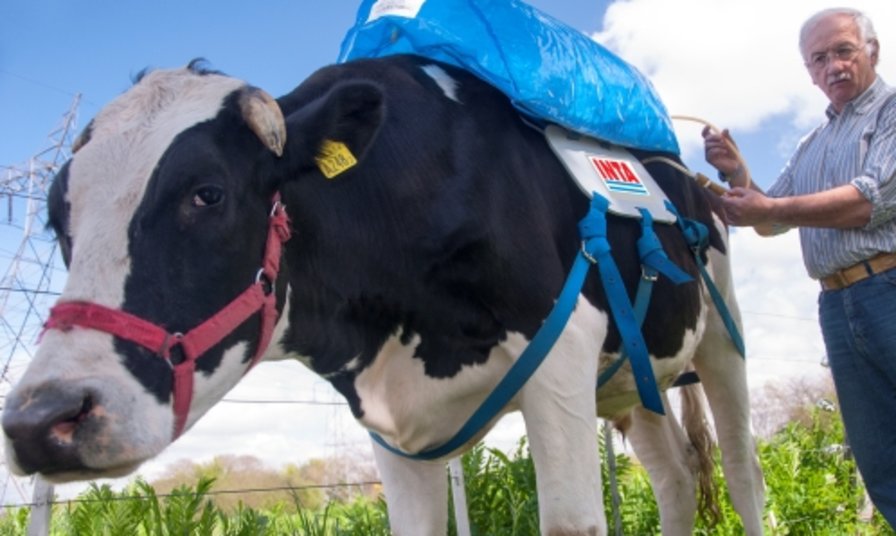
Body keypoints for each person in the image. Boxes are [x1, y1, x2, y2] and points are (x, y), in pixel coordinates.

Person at [703, 7, 896, 526]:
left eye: (843, 51)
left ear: (871, 51)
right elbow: (771, 219)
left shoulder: (891, 113)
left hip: (890, 289)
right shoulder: (813, 144)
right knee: (881, 460)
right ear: (808, 72)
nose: (832, 65)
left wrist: (768, 210)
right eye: (819, 59)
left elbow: (868, 200)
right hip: (836, 305)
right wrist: (736, 170)